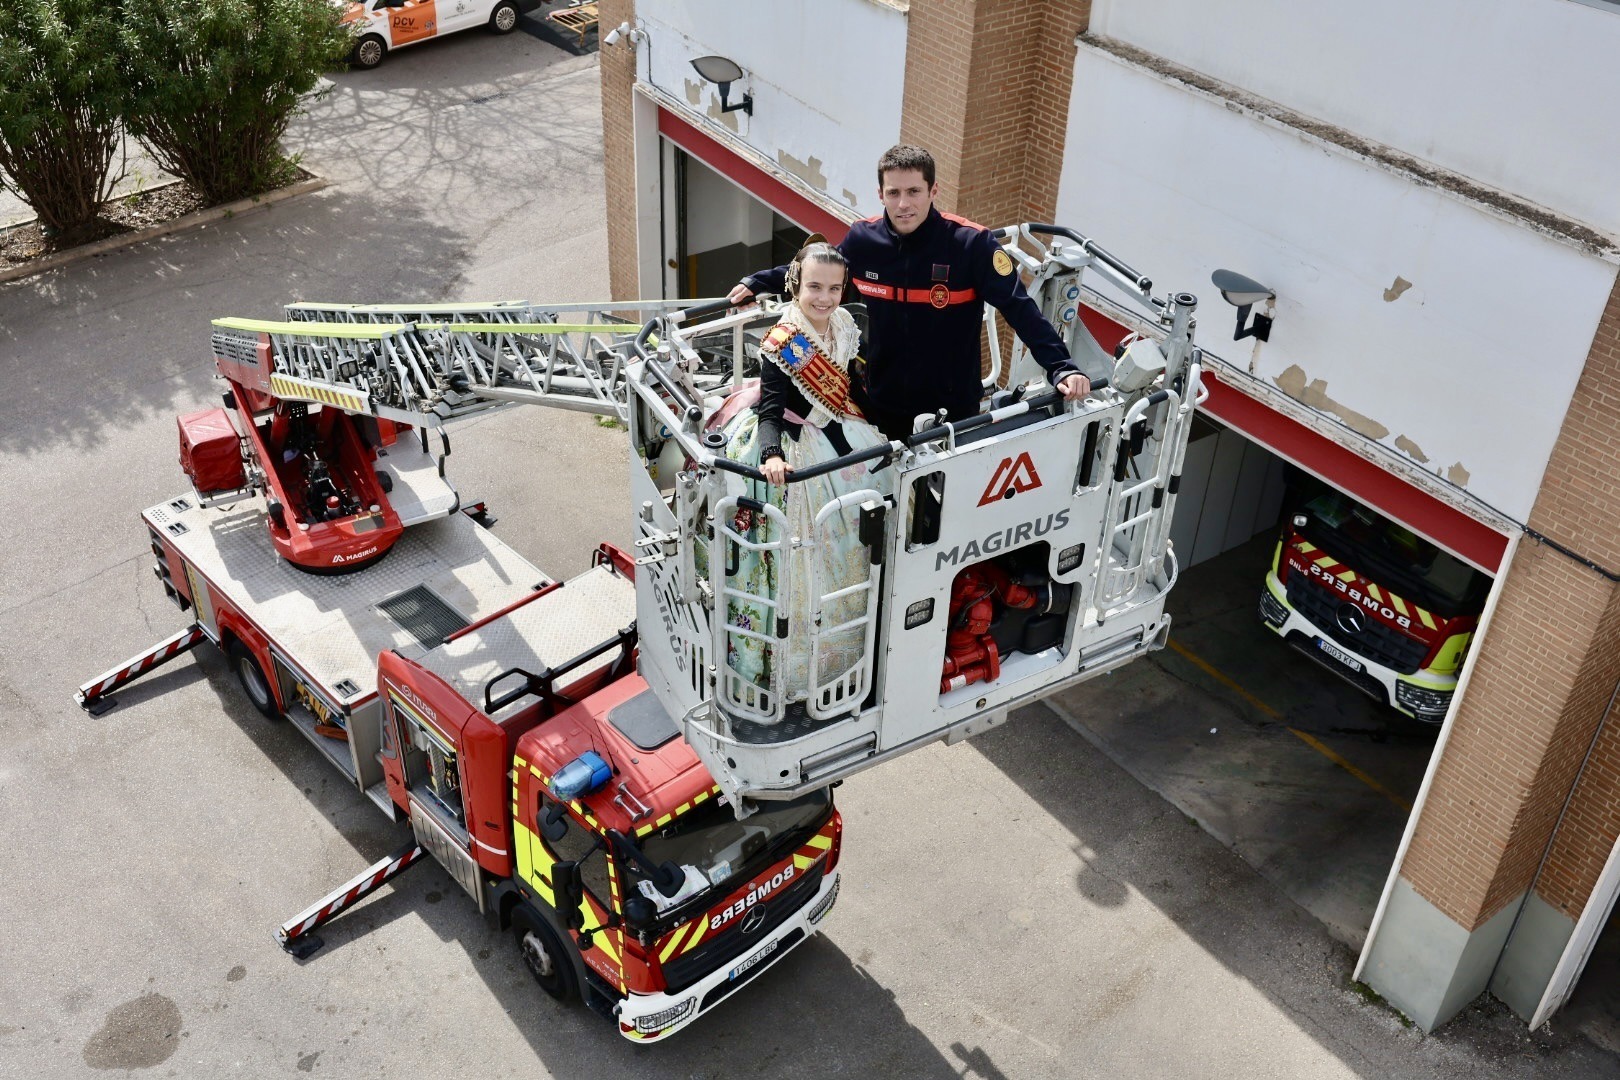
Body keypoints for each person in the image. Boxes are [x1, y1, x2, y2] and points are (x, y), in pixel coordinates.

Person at [729, 144, 1089, 441]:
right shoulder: (864, 240)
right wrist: (757, 282)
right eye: (894, 193)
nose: (904, 204)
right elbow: (819, 270)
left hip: (954, 407)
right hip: (884, 401)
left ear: (933, 191)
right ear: (881, 194)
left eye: (914, 191)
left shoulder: (971, 244)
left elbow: (1019, 307)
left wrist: (1060, 367)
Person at [710, 241, 891, 714]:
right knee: (803, 554)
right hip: (793, 443)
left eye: (834, 288)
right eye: (814, 287)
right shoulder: (783, 341)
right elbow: (771, 409)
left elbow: (852, 387)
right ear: (797, 284)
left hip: (838, 429)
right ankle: (793, 667)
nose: (824, 298)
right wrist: (771, 455)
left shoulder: (846, 325)